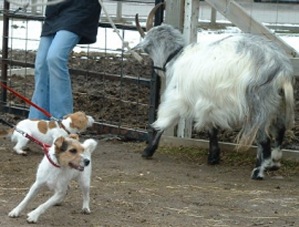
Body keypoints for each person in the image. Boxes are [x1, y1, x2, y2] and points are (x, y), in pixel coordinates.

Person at [28, 0, 101, 120]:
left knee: (55, 57)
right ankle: (37, 122)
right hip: (56, 8)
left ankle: (62, 121)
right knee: (41, 64)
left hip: (79, 8)